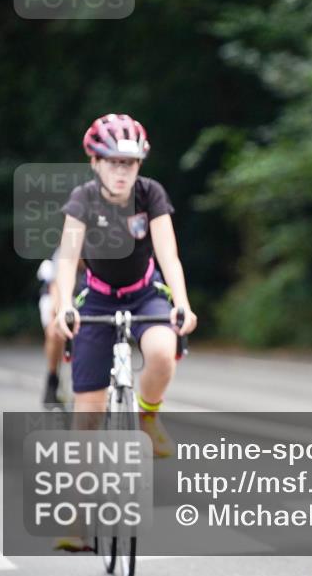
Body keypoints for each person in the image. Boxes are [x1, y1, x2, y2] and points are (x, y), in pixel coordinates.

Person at [53, 113, 198, 458]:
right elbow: (68, 259)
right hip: (98, 298)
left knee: (163, 352)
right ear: (95, 162)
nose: (122, 172)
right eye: (114, 163)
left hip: (146, 293)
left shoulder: (151, 194)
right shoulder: (82, 198)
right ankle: (78, 505)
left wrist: (182, 302)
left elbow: (168, 255)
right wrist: (64, 306)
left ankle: (147, 415)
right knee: (88, 411)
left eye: (130, 164)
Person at [36, 249, 84, 407]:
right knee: (54, 333)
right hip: (56, 294)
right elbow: (56, 286)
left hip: (84, 295)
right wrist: (56, 313)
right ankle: (52, 378)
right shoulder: (66, 250)